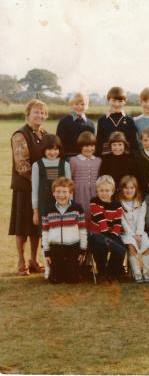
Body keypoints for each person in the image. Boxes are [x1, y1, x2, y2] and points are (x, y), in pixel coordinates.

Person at [10, 99, 49, 276]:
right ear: (28, 114)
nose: (39, 115)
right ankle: (21, 260)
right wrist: (40, 181)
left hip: (39, 189)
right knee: (22, 226)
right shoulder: (20, 135)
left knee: (36, 226)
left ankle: (34, 260)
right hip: (25, 188)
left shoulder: (45, 134)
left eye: (42, 113)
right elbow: (22, 165)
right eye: (36, 112)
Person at [41, 177, 87, 284]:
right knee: (55, 280)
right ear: (53, 193)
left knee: (73, 280)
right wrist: (47, 253)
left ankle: (73, 271)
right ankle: (54, 271)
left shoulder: (77, 209)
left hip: (73, 247)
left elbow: (82, 231)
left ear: (71, 194)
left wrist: (82, 250)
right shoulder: (48, 210)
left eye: (64, 192)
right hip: (56, 248)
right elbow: (45, 232)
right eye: (58, 191)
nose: (61, 195)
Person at [88, 175, 126, 284]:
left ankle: (112, 273)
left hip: (110, 234)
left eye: (107, 190)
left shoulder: (117, 205)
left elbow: (117, 223)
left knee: (121, 248)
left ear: (113, 191)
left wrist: (113, 236)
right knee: (101, 246)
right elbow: (101, 221)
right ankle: (102, 273)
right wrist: (108, 239)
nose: (104, 193)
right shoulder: (94, 202)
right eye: (101, 190)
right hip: (96, 234)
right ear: (97, 191)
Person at [32, 135, 72, 231]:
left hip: (62, 206)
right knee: (45, 235)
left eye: (56, 149)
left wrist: (70, 209)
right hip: (43, 206)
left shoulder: (65, 165)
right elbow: (35, 189)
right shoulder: (37, 165)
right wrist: (35, 212)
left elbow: (70, 189)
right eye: (50, 149)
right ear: (43, 149)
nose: (53, 152)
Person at [119, 175, 149, 283]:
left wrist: (139, 233)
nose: (129, 190)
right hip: (126, 232)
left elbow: (141, 219)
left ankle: (146, 272)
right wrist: (131, 234)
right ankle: (136, 273)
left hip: (139, 231)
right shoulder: (119, 203)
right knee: (131, 246)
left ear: (136, 189)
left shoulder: (141, 202)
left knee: (147, 247)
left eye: (132, 188)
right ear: (121, 189)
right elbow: (122, 221)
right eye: (126, 188)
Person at [69, 131, 102, 224]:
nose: (89, 148)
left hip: (94, 192)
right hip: (79, 192)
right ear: (80, 147)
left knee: (93, 214)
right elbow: (70, 178)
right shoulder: (74, 160)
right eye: (86, 146)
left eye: (92, 146)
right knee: (81, 214)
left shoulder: (98, 160)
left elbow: (98, 176)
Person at [96, 86, 138, 155]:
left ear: (124, 102)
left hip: (125, 159)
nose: (117, 104)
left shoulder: (129, 120)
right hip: (107, 159)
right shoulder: (102, 120)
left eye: (120, 101)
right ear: (108, 100)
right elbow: (99, 143)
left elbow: (134, 144)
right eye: (114, 100)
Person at [56, 92, 95, 158]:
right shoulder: (64, 122)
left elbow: (93, 143)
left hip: (86, 158)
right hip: (68, 158)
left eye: (83, 104)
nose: (79, 107)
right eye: (76, 104)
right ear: (71, 105)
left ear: (87, 106)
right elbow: (59, 142)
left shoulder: (90, 124)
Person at [98, 131, 137, 195]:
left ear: (124, 145)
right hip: (110, 190)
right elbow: (103, 176)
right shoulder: (106, 159)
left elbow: (133, 176)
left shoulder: (130, 159)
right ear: (110, 146)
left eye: (120, 144)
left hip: (126, 190)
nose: (117, 148)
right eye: (114, 145)